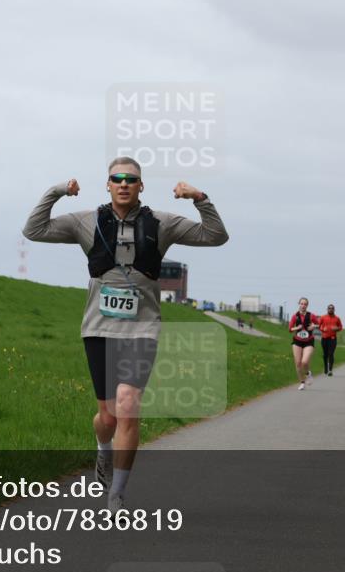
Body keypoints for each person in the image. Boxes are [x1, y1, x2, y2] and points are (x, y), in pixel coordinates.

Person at [22, 157, 228, 512]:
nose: (123, 184)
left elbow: (216, 236)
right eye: (116, 178)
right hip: (98, 329)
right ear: (107, 184)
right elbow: (34, 230)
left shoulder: (162, 223)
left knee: (129, 407)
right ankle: (104, 449)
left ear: (141, 186)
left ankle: (116, 494)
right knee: (107, 417)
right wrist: (58, 191)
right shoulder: (86, 221)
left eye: (131, 179)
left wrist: (199, 197)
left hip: (142, 329)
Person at [288, 297, 319, 390]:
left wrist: (314, 326)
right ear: (299, 304)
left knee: (304, 362)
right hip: (297, 341)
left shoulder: (311, 315)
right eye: (301, 304)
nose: (303, 305)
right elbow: (290, 329)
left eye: (305, 304)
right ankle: (302, 382)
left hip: (308, 341)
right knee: (298, 363)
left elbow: (319, 325)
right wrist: (296, 328)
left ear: (307, 305)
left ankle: (308, 374)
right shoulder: (295, 316)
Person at [318, 304, 343, 376]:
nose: (330, 309)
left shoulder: (337, 318)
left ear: (334, 310)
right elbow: (319, 326)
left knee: (331, 353)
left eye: (332, 308)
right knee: (325, 354)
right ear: (327, 309)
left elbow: (341, 327)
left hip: (333, 338)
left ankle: (330, 370)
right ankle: (326, 367)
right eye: (329, 308)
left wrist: (337, 329)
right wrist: (323, 329)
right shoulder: (323, 317)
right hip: (324, 338)